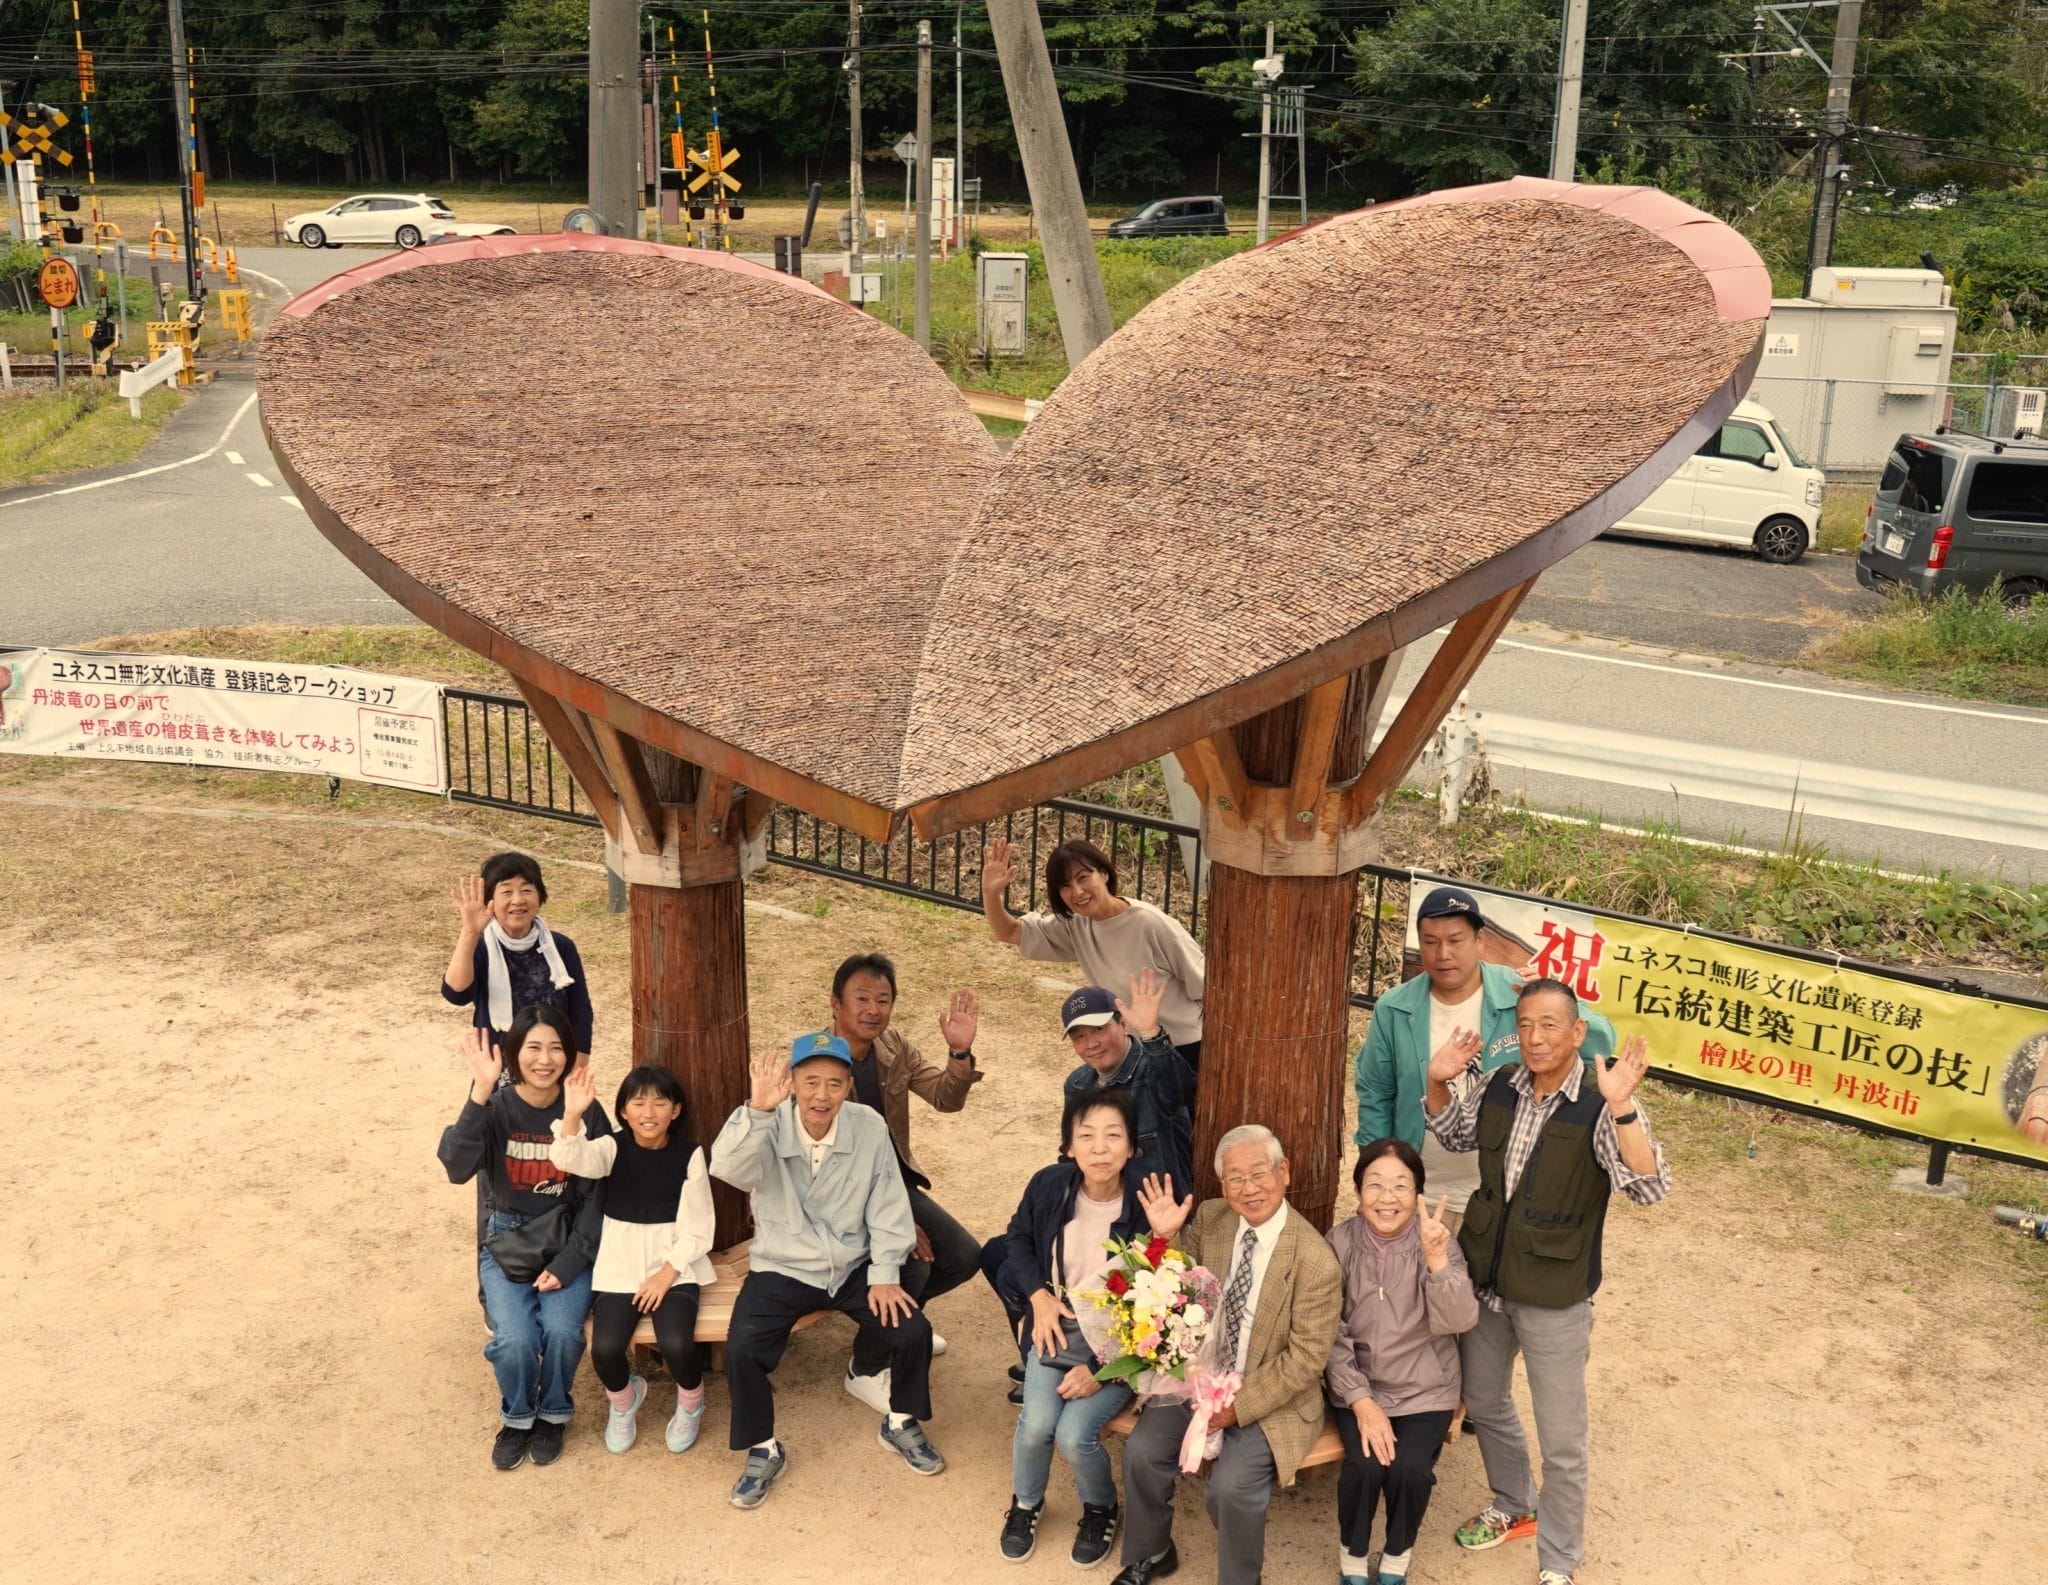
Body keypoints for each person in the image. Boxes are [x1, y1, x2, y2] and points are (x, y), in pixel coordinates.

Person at [1424, 979, 1671, 1585]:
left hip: (1556, 1296)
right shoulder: (1500, 1084)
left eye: (1551, 1025)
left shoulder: (1599, 1100)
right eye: (1527, 1024)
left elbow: (1649, 1188)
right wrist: (1437, 1081)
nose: (1535, 1038)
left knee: (1563, 1441)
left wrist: (1622, 1107)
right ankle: (1514, 1503)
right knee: (1483, 1400)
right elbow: (1454, 1134)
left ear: (1578, 1033)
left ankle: (1558, 1559)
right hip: (1487, 1282)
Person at [712, 1032, 944, 1509]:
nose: (822, 1095)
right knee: (741, 1348)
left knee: (912, 1331)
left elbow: (888, 1204)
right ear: (792, 1082)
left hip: (853, 1264)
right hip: (784, 1264)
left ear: (849, 1086)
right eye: (810, 1081)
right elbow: (728, 1169)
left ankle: (899, 1420)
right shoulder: (765, 1120)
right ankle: (763, 1447)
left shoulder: (869, 1126)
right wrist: (756, 1112)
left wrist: (883, 1272)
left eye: (834, 1084)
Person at [1111, 1124, 1343, 1585]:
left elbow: (1305, 1361)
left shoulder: (1315, 1260)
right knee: (1141, 1451)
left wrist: (1236, 1408)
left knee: (1231, 1487)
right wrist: (1164, 1239)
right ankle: (1152, 1551)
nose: (1249, 1188)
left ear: (1285, 1172)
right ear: (1222, 1185)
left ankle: (1241, 1580)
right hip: (1200, 1376)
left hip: (1270, 1394)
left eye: (1259, 1173)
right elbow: (1180, 1283)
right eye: (1235, 1178)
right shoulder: (1216, 1218)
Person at [979, 970, 1196, 1390]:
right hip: (1090, 1207)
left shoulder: (1154, 1071)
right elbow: (1071, 1155)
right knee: (997, 1255)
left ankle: (1056, 1363)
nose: (1091, 1043)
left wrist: (1153, 1032)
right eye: (1079, 1037)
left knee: (1042, 1272)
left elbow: (1181, 1087)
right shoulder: (1078, 1084)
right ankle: (1043, 1347)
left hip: (1144, 1219)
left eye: (1099, 1029)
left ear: (1122, 1023)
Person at [1354, 886, 1615, 1233]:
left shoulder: (1515, 992)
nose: (1442, 953)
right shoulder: (1395, 1007)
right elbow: (1375, 1092)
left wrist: (1557, 1000)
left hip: (1499, 1190)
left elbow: (1600, 1043)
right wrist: (1377, 1174)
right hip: (1419, 1188)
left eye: (1456, 940)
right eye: (1430, 942)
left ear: (1480, 940)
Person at [437, 1006, 610, 1471]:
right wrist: (479, 1093)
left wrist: (571, 1262)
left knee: (560, 1331)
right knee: (513, 1338)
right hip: (508, 1238)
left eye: (556, 1048)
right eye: (533, 1047)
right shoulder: (495, 1107)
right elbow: (456, 1166)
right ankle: (518, 1417)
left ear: (570, 1055)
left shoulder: (585, 1109)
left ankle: (553, 1412)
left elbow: (601, 1198)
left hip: (569, 1240)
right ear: (514, 1053)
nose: (545, 1059)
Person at [995, 1088, 1155, 1569]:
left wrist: (1098, 1369)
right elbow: (1017, 1238)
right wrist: (1038, 1297)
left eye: (1113, 1136)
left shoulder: (1145, 1206)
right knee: (1036, 1426)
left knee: (1074, 1435)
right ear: (1069, 1146)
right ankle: (1025, 1504)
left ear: (1131, 1147)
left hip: (1116, 1344)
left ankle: (1101, 1508)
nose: (1100, 1148)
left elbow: (1155, 1312)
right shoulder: (1050, 1184)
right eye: (1086, 1136)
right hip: (1058, 1326)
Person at [828, 953, 984, 1414]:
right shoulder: (816, 1059)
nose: (874, 1009)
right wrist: (896, 1224)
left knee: (962, 1256)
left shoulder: (893, 1047)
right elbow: (822, 1166)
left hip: (894, 1185)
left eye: (883, 999)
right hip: (838, 1202)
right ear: (836, 1003)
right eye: (862, 998)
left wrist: (958, 1054)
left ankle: (899, 1321)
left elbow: (945, 1099)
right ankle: (866, 1365)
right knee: (909, 1264)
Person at [1325, 1140, 1480, 1585]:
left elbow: (1460, 1320)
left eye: (1401, 1186)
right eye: (1374, 1185)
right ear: (1357, 1193)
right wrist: (1359, 1399)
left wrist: (1436, 1262)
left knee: (1411, 1471)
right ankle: (1353, 1559)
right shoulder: (1338, 1243)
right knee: (1364, 1466)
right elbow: (1327, 1330)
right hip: (1361, 1387)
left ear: (1418, 1194)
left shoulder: (1436, 1241)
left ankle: (1396, 1556)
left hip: (1426, 1387)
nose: (1387, 1198)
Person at [549, 1063, 716, 1456]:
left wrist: (666, 1275)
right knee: (605, 1350)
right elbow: (570, 1159)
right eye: (638, 1102)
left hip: (673, 1265)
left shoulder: (689, 1154)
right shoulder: (611, 1147)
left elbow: (699, 1225)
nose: (648, 1112)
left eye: (660, 1103)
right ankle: (624, 1402)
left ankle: (692, 1403)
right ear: (623, 1110)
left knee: (675, 1342)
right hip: (620, 1265)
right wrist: (572, 1113)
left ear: (675, 1110)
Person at [981, 836, 1205, 1073]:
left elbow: (1206, 987)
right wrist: (990, 894)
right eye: (1065, 885)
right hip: (1131, 1051)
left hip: (1184, 1049)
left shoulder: (1152, 924)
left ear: (1104, 873)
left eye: (1083, 877)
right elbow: (1010, 932)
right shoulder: (1075, 926)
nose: (1077, 891)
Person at [442, 852, 593, 1068]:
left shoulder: (561, 946)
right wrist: (469, 933)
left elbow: (580, 1010)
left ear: (540, 897)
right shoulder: (480, 946)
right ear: (490, 901)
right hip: (498, 1067)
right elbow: (455, 994)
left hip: (551, 1064)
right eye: (506, 891)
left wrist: (577, 1068)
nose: (518, 900)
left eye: (527, 890)